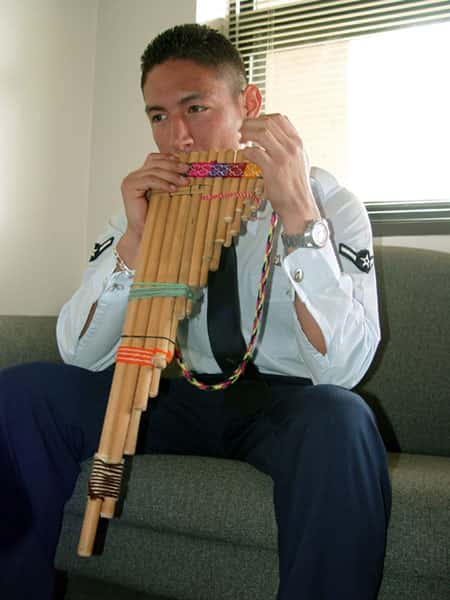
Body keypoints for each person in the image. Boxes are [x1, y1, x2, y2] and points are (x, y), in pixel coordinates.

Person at [0, 23, 391, 600]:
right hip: (171, 394)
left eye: (196, 107)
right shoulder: (144, 209)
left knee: (344, 419)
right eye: (158, 116)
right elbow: (79, 354)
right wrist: (133, 243)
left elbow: (342, 371)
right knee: (23, 394)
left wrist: (299, 220)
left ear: (249, 104)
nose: (177, 137)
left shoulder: (331, 204)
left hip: (283, 406)